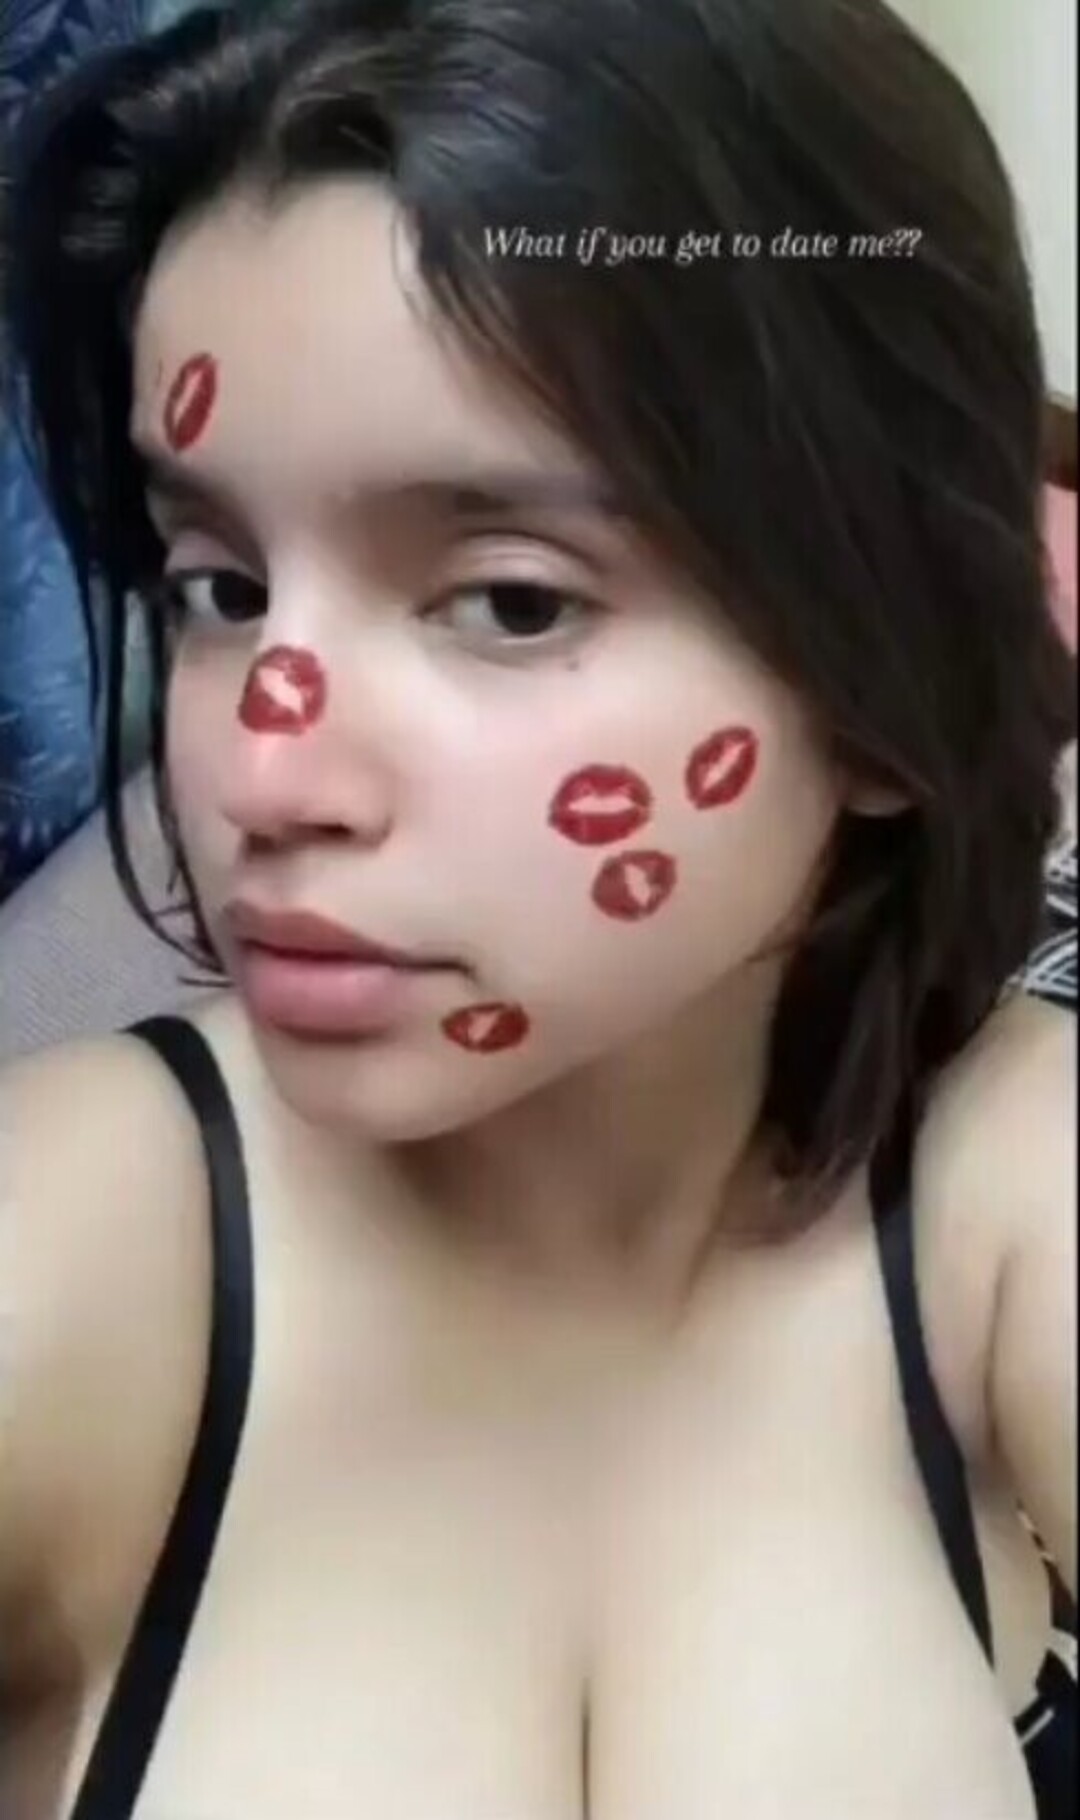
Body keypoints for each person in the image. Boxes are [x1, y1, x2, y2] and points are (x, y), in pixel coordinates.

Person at [0, 2, 1075, 1815]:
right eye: (219, 587)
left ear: (888, 681)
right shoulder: (75, 1249)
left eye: (509, 602)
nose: (262, 775)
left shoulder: (1004, 1179)